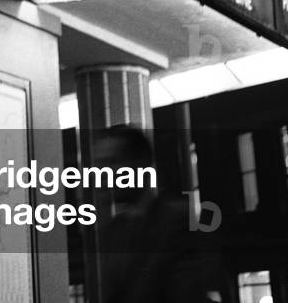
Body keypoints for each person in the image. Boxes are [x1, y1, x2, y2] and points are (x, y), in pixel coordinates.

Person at [92, 124, 215, 303]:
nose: (102, 173)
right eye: (99, 164)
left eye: (112, 162)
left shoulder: (177, 223)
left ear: (141, 164)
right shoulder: (111, 233)